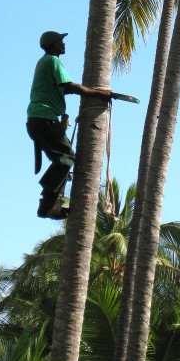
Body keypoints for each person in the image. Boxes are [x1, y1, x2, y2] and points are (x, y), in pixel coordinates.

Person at [26, 30, 111, 219]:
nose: (63, 44)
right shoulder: (52, 61)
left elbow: (58, 90)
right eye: (60, 41)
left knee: (63, 160)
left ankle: (52, 202)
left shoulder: (44, 63)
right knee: (66, 159)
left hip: (37, 120)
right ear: (53, 44)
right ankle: (47, 204)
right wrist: (98, 93)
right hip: (44, 119)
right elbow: (69, 87)